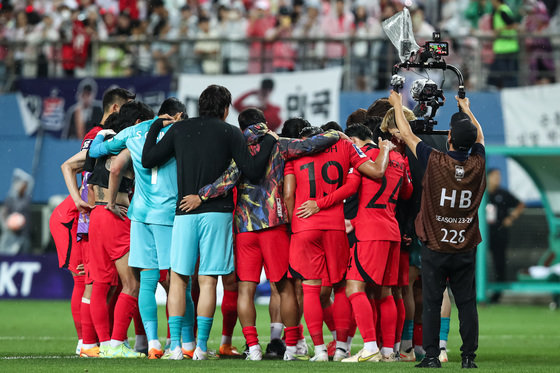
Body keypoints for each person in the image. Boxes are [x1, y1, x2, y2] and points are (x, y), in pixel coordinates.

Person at [182, 107, 341, 361]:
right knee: (285, 287)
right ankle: (290, 347)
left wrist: (201, 195)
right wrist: (335, 133)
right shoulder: (278, 143)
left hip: (245, 228)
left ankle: (253, 347)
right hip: (274, 225)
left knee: (246, 289)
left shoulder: (238, 147)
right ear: (264, 122)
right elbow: (312, 144)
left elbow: (226, 180)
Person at [141, 85, 277, 360]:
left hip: (184, 212)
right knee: (207, 281)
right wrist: (271, 142)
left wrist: (156, 125)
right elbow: (250, 170)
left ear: (200, 105)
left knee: (178, 278)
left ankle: (176, 346)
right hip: (218, 212)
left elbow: (148, 159)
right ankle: (202, 347)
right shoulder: (230, 133)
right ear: (226, 109)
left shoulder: (180, 130)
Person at [389, 90, 485, 369]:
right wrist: (466, 108)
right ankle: (468, 358)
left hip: (435, 244)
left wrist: (397, 104)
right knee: (467, 304)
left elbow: (406, 134)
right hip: (465, 245)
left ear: (449, 139)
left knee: (430, 301)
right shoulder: (478, 163)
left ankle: (431, 357)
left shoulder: (436, 161)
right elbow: (479, 136)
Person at [283, 126, 396, 362]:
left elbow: (288, 194)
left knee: (311, 288)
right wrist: (324, 204)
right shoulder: (345, 147)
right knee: (343, 286)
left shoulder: (295, 154)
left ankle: (321, 351)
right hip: (336, 226)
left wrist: (296, 223)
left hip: (304, 225)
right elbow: (354, 185)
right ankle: (343, 347)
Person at [88, 97, 188, 359]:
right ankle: (180, 344)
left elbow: (97, 153)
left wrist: (99, 138)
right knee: (175, 278)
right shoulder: (176, 131)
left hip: (137, 214)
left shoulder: (130, 134)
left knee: (141, 281)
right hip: (166, 213)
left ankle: (149, 342)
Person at [53, 87, 135, 357]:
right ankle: (86, 341)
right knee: (87, 281)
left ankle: (97, 341)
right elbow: (81, 170)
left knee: (102, 282)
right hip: (87, 216)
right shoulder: (99, 137)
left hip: (93, 215)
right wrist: (79, 200)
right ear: (115, 109)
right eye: (127, 109)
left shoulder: (101, 137)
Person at [342, 123, 413, 363]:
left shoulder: (365, 157)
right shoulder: (398, 158)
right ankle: (387, 351)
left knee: (354, 288)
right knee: (386, 293)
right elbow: (407, 191)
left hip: (370, 231)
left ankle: (370, 347)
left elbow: (352, 188)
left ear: (354, 140)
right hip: (392, 230)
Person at [486, 168, 524, 303]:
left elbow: (520, 204)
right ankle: (476, 291)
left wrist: (511, 217)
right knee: (475, 263)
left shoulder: (503, 193)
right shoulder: (481, 192)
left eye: (499, 176)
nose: (498, 179)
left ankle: (497, 294)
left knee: (499, 263)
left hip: (500, 233)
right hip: (482, 234)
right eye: (495, 176)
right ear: (488, 177)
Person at [488, 0, 520, 88]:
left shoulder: (502, 10)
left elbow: (513, 24)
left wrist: (499, 30)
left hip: (505, 48)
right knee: (506, 74)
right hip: (505, 47)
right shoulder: (502, 10)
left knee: (507, 75)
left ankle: (510, 92)